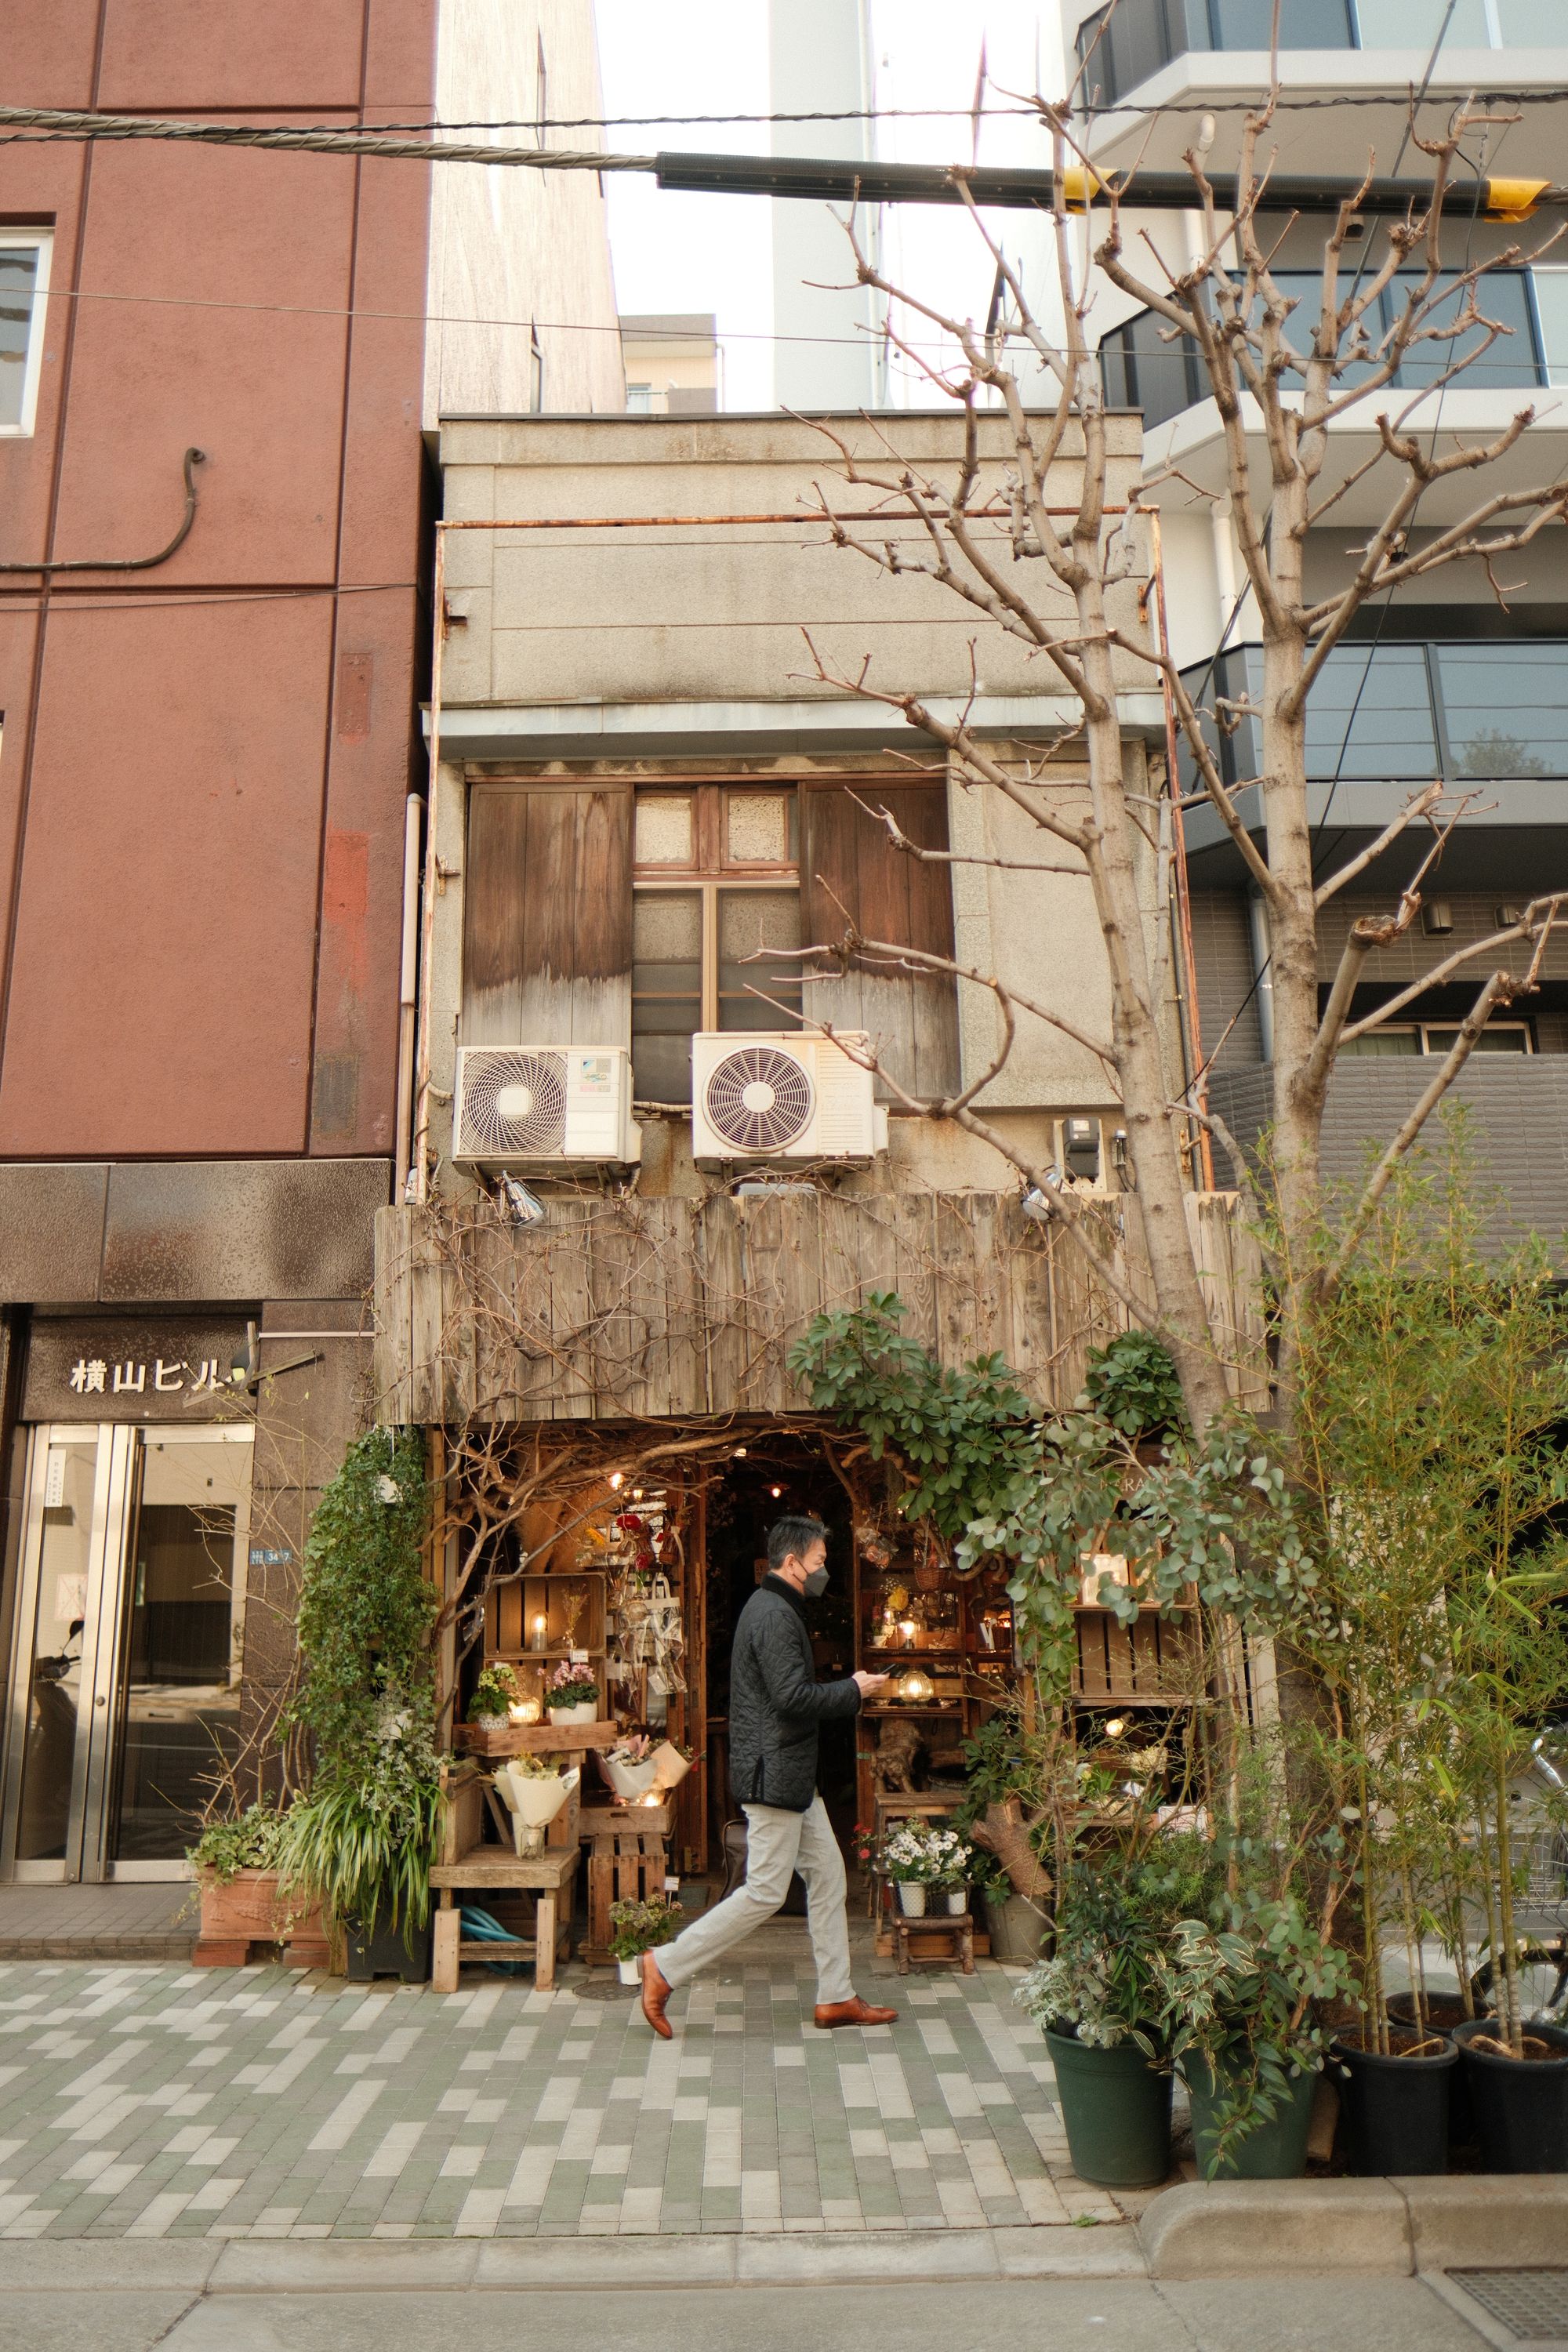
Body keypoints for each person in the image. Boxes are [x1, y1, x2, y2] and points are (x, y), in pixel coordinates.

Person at [641, 1512, 898, 2037]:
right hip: (776, 1774)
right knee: (764, 1892)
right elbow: (792, 1698)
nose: (824, 1571)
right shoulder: (776, 1616)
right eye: (820, 1562)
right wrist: (854, 1690)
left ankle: (836, 1998)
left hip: (791, 1776)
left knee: (828, 1876)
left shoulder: (772, 1608)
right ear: (792, 1562)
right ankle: (664, 1966)